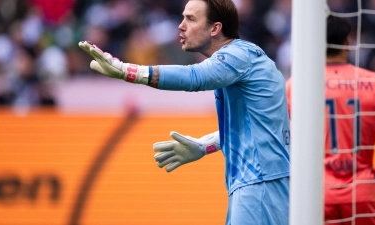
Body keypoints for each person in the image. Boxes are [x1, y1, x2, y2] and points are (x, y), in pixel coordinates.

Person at [79, 0, 290, 224]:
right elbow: (255, 128)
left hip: (259, 185)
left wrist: (127, 71)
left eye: (190, 19)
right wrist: (204, 145)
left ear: (215, 28)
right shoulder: (243, 60)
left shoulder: (238, 56)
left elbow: (194, 77)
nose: (181, 26)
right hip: (261, 183)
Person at [286, 15, 375, 225]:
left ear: (312, 42)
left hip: (315, 192)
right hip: (362, 190)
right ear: (347, 43)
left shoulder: (296, 85)